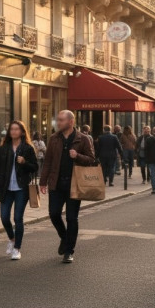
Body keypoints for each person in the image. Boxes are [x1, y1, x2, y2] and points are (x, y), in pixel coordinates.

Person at [39, 110, 96, 264]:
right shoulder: (54, 138)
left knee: (72, 218)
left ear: (71, 122)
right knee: (54, 214)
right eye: (58, 120)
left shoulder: (82, 139)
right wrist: (42, 182)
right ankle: (65, 238)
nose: (58, 123)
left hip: (75, 184)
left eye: (61, 120)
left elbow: (91, 159)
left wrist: (77, 156)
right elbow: (48, 161)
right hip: (56, 183)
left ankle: (69, 251)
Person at [0, 120, 38, 261]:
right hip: (6, 187)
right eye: (11, 129)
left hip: (21, 188)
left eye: (16, 129)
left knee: (18, 218)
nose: (13, 132)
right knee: (4, 217)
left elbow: (35, 167)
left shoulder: (27, 148)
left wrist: (24, 162)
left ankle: (17, 248)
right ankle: (12, 239)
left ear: (22, 132)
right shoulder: (3, 148)